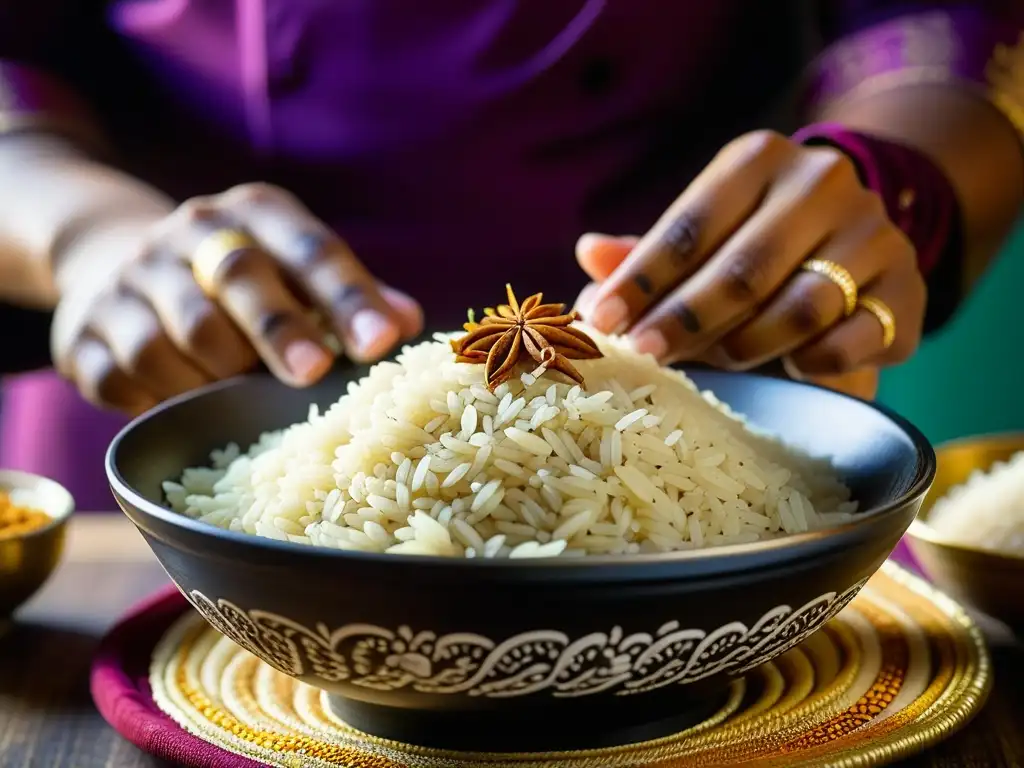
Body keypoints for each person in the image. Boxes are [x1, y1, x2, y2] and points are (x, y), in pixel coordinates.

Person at [0, 1, 1021, 512]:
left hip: (684, 394)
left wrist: (880, 181)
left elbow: (943, 22)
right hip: (176, 374)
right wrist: (84, 235)